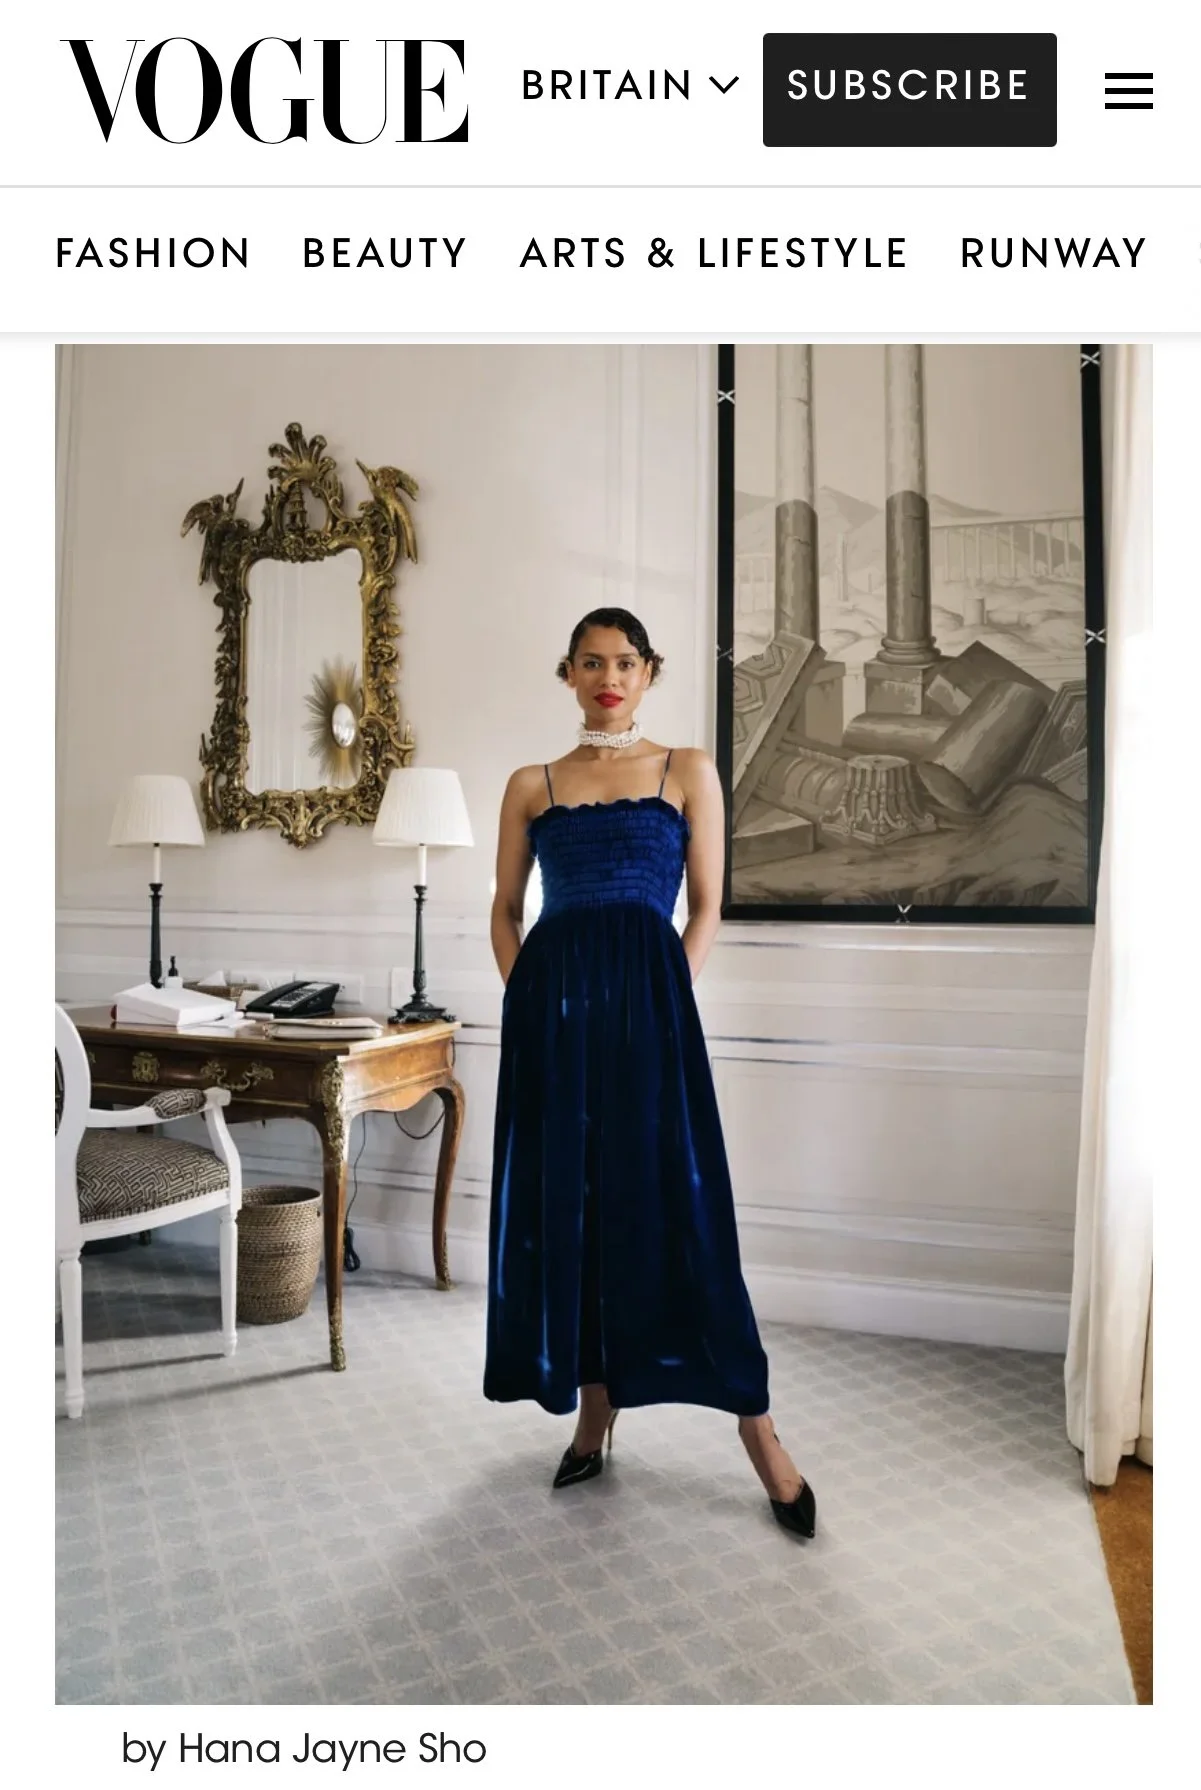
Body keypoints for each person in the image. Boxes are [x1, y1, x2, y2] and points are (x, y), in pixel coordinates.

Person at [484, 607, 816, 1539]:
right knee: (578, 1212)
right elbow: (505, 912)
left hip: (651, 1023)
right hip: (553, 1030)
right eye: (590, 663)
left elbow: (706, 906)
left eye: (624, 663)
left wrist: (666, 995)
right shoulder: (531, 785)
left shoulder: (687, 771)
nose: (607, 677)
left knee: (681, 1213)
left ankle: (761, 1438)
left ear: (647, 672)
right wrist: (531, 1005)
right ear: (567, 673)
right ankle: (595, 1414)